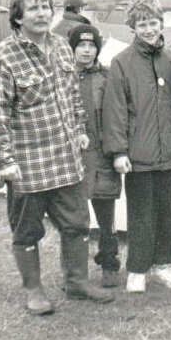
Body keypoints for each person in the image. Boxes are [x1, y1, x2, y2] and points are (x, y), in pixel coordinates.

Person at [0, 0, 114, 315]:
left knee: (78, 223)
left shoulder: (60, 46)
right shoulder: (1, 58)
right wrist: (3, 159)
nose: (42, 14)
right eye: (33, 9)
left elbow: (71, 95)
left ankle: (77, 282)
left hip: (66, 159)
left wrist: (81, 129)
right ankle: (34, 291)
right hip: (26, 164)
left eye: (46, 7)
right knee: (27, 231)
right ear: (17, 16)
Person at [103, 0, 171, 293]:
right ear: (133, 28)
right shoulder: (121, 63)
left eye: (153, 22)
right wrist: (118, 152)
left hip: (169, 153)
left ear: (161, 22)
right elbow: (114, 111)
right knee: (141, 212)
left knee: (167, 211)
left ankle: (164, 265)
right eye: (142, 24)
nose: (149, 29)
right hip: (138, 155)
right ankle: (138, 269)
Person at [69, 24, 122, 288]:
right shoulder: (63, 77)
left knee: (105, 215)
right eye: (81, 45)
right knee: (74, 216)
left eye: (91, 46)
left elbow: (117, 115)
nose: (87, 50)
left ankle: (110, 263)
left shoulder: (107, 77)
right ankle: (75, 271)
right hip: (73, 157)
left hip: (102, 156)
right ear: (73, 48)